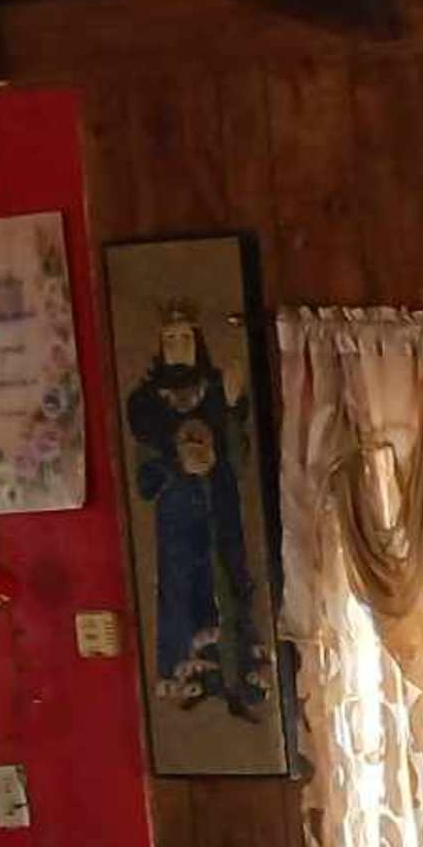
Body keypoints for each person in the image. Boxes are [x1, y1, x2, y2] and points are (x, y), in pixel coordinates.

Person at [123, 305, 269, 720]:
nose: (178, 347)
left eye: (185, 338)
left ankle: (239, 670)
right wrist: (175, 463)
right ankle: (189, 672)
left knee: (231, 574)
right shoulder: (147, 402)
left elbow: (238, 455)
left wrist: (234, 408)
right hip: (177, 508)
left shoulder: (218, 388)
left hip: (219, 498)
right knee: (181, 582)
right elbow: (145, 469)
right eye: (170, 340)